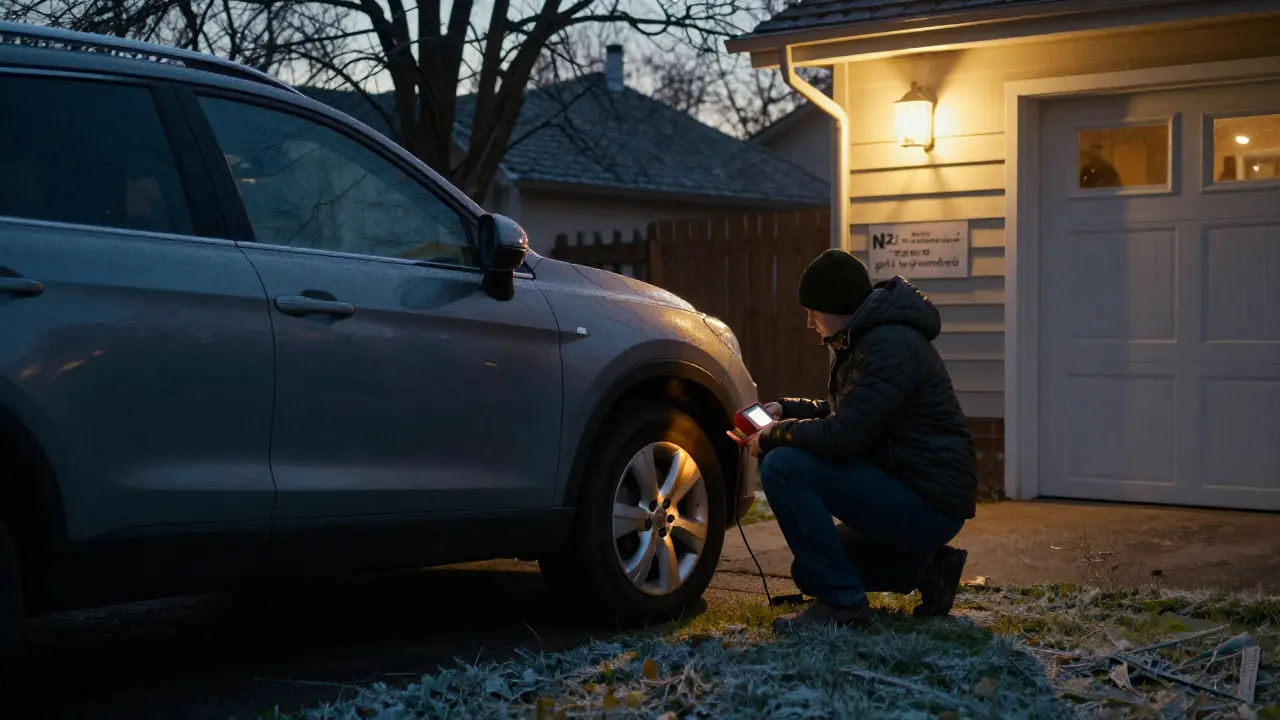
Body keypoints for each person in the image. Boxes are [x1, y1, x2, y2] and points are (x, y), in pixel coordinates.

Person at [745, 249, 978, 631]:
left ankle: (843, 607)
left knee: (784, 467)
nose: (808, 322)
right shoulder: (868, 337)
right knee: (809, 570)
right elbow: (853, 409)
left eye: (813, 310)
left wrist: (777, 435)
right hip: (910, 488)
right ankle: (929, 570)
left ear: (838, 306)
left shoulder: (889, 345)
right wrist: (785, 410)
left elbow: (845, 435)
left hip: (927, 499)